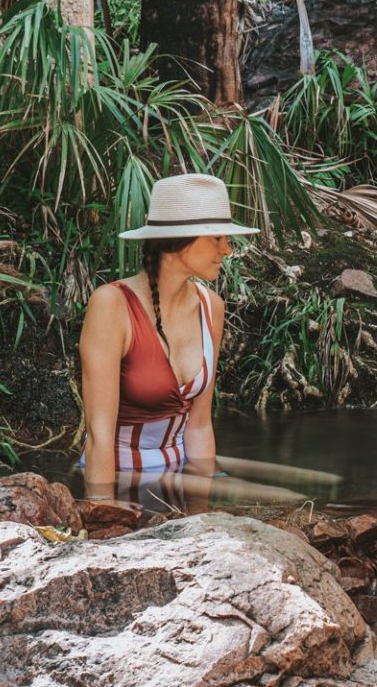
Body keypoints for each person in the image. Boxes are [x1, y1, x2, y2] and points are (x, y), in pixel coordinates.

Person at [78, 173, 252, 509]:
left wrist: (201, 514)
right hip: (119, 474)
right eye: (217, 238)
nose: (227, 250)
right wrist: (101, 511)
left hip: (177, 468)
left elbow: (199, 426)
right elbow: (99, 434)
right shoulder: (111, 304)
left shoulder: (211, 307)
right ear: (179, 240)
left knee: (293, 499)